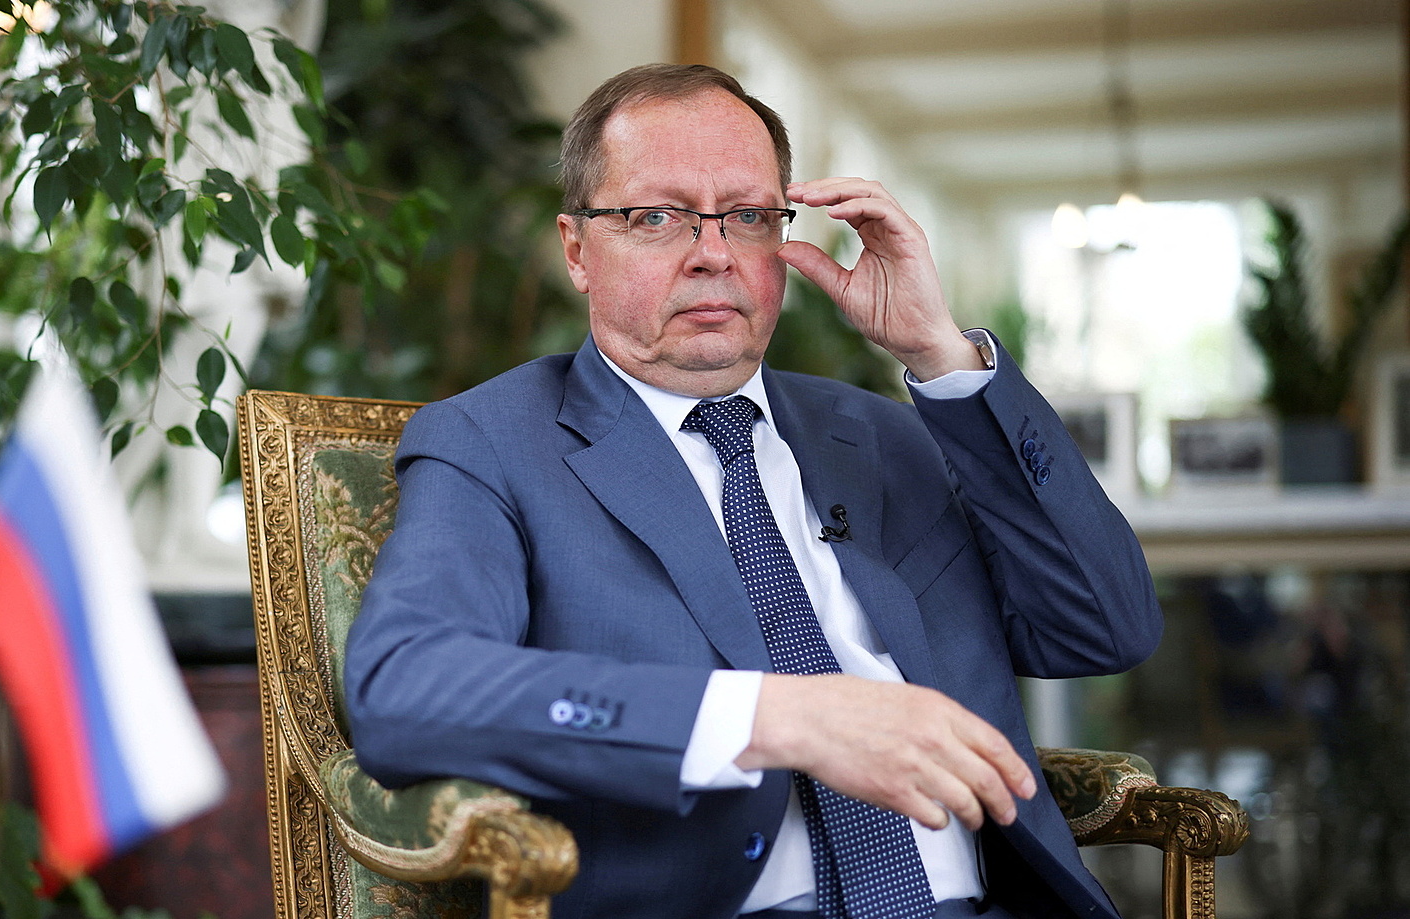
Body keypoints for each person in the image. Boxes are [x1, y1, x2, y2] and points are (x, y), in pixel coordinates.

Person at [345, 63, 1162, 919]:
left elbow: (1106, 626)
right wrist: (774, 717)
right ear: (578, 249)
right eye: (656, 216)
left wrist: (941, 358)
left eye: (747, 215)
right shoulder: (493, 441)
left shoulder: (883, 433)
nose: (713, 253)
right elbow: (407, 689)